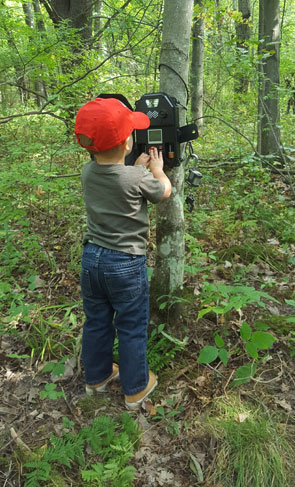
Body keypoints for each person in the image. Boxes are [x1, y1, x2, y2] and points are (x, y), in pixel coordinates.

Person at [74, 97, 171, 410]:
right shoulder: (138, 177)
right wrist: (156, 170)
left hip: (92, 261)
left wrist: (138, 169)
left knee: (97, 322)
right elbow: (162, 192)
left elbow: (116, 178)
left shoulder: (87, 173)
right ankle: (135, 389)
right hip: (125, 264)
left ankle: (97, 380)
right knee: (130, 325)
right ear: (128, 142)